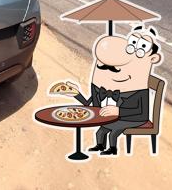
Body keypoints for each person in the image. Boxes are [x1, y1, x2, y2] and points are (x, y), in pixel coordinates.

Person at [61, 26, 163, 156]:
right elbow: (90, 105)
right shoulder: (103, 88)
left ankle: (112, 149)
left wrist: (118, 111)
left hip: (135, 118)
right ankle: (100, 146)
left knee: (114, 129)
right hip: (116, 115)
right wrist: (76, 93)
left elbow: (141, 112)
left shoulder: (139, 91)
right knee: (101, 131)